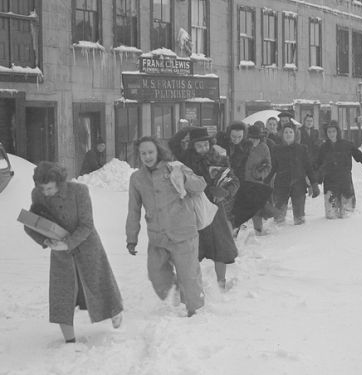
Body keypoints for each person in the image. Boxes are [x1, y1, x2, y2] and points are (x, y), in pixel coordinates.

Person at [25, 161, 123, 343]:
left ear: (60, 182)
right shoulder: (37, 194)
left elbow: (87, 225)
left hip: (87, 245)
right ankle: (69, 340)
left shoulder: (79, 192)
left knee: (99, 282)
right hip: (59, 251)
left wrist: (68, 243)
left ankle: (115, 311)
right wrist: (45, 241)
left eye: (49, 188)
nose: (45, 193)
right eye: (42, 188)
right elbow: (35, 222)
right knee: (62, 292)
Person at [126, 136, 207, 317]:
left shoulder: (175, 167)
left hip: (183, 231)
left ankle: (194, 312)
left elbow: (201, 185)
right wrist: (131, 238)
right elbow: (133, 210)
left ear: (158, 152)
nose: (147, 156)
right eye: (143, 153)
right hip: (158, 236)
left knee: (189, 276)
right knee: (157, 276)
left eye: (150, 152)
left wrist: (184, 177)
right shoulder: (137, 178)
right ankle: (179, 284)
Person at [184, 128, 240, 290]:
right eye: (199, 146)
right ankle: (193, 285)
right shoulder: (185, 164)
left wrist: (225, 192)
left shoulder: (220, 160)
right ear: (192, 147)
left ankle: (221, 283)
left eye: (205, 145)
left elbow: (234, 181)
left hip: (216, 211)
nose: (203, 148)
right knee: (192, 250)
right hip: (193, 211)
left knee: (220, 248)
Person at [315, 120, 362, 219]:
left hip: (345, 183)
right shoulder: (323, 148)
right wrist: (314, 179)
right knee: (331, 214)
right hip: (330, 185)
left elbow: (359, 155)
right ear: (326, 133)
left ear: (337, 131)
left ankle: (347, 232)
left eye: (333, 131)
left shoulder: (347, 145)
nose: (331, 134)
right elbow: (317, 164)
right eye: (329, 132)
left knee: (347, 214)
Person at [269, 124, 320, 225]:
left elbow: (308, 168)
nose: (288, 134)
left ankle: (298, 238)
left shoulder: (301, 149)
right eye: (286, 132)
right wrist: (265, 183)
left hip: (299, 186)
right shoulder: (276, 149)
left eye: (290, 132)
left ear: (295, 134)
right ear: (282, 134)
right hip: (281, 186)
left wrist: (314, 184)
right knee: (278, 219)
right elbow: (273, 168)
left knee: (299, 219)